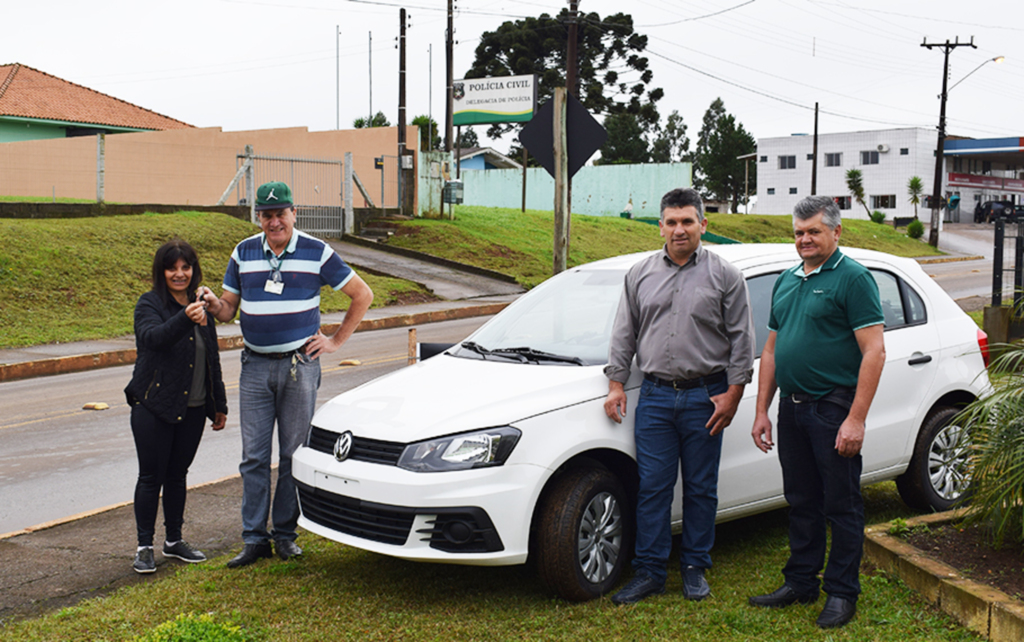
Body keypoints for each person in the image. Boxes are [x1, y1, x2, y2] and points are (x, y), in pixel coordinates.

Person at [201, 181, 373, 568]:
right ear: (258, 216)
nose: (274, 221)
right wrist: (214, 304)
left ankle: (285, 534)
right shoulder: (243, 252)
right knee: (253, 457)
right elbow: (229, 309)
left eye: (281, 213)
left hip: (300, 366)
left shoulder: (316, 251)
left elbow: (362, 294)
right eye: (267, 214)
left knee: (293, 455)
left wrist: (335, 341)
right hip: (255, 367)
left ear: (294, 213)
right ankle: (253, 539)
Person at [603, 187, 755, 604]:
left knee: (701, 487)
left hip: (706, 397)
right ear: (660, 227)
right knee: (652, 486)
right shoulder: (639, 274)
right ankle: (650, 571)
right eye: (671, 222)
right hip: (652, 398)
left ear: (703, 225)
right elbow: (624, 333)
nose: (679, 229)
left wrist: (734, 395)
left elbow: (743, 339)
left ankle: (694, 567)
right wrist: (617, 384)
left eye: (688, 221)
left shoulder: (725, 275)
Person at [748, 195, 885, 629]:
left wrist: (856, 418)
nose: (805, 240)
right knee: (801, 500)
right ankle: (801, 582)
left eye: (814, 232)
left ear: (836, 232)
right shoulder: (787, 280)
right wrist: (762, 411)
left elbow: (874, 351)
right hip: (792, 407)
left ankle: (842, 593)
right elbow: (770, 351)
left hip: (832, 406)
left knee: (840, 505)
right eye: (799, 233)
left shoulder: (854, 279)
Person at [124, 239, 228, 574]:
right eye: (173, 268)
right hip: (153, 405)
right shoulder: (150, 303)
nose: (180, 274)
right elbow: (152, 338)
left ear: (194, 270)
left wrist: (218, 405)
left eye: (186, 268)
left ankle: (174, 540)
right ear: (162, 271)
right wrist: (184, 317)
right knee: (151, 476)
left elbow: (211, 357)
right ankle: (144, 547)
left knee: (178, 475)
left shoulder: (203, 305)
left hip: (194, 407)